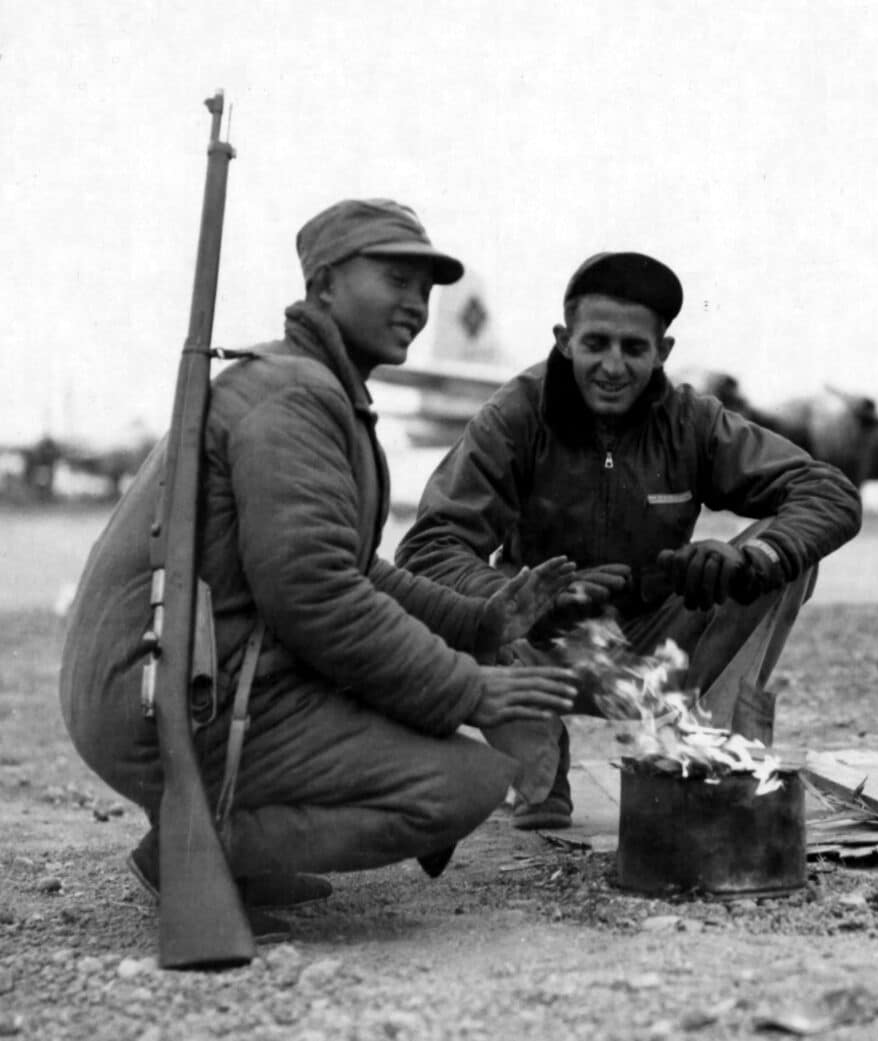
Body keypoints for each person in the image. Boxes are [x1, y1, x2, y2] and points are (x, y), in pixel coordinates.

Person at [59, 199, 578, 936]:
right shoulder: (296, 395)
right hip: (169, 698)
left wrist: (481, 620)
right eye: (395, 279)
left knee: (430, 717)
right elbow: (315, 594)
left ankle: (221, 842)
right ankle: (194, 851)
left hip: (163, 677)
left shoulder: (300, 382)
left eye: (425, 289)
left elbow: (349, 566)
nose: (416, 305)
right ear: (324, 284)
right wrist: (471, 689)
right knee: (464, 782)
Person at [395, 251, 863, 829]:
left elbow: (827, 491)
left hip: (655, 645)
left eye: (634, 349)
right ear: (565, 341)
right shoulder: (512, 415)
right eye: (596, 344)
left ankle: (707, 762)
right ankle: (536, 765)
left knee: (787, 556)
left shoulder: (692, 420)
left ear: (662, 352)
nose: (612, 367)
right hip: (542, 648)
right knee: (449, 607)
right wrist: (524, 596)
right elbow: (427, 548)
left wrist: (746, 560)